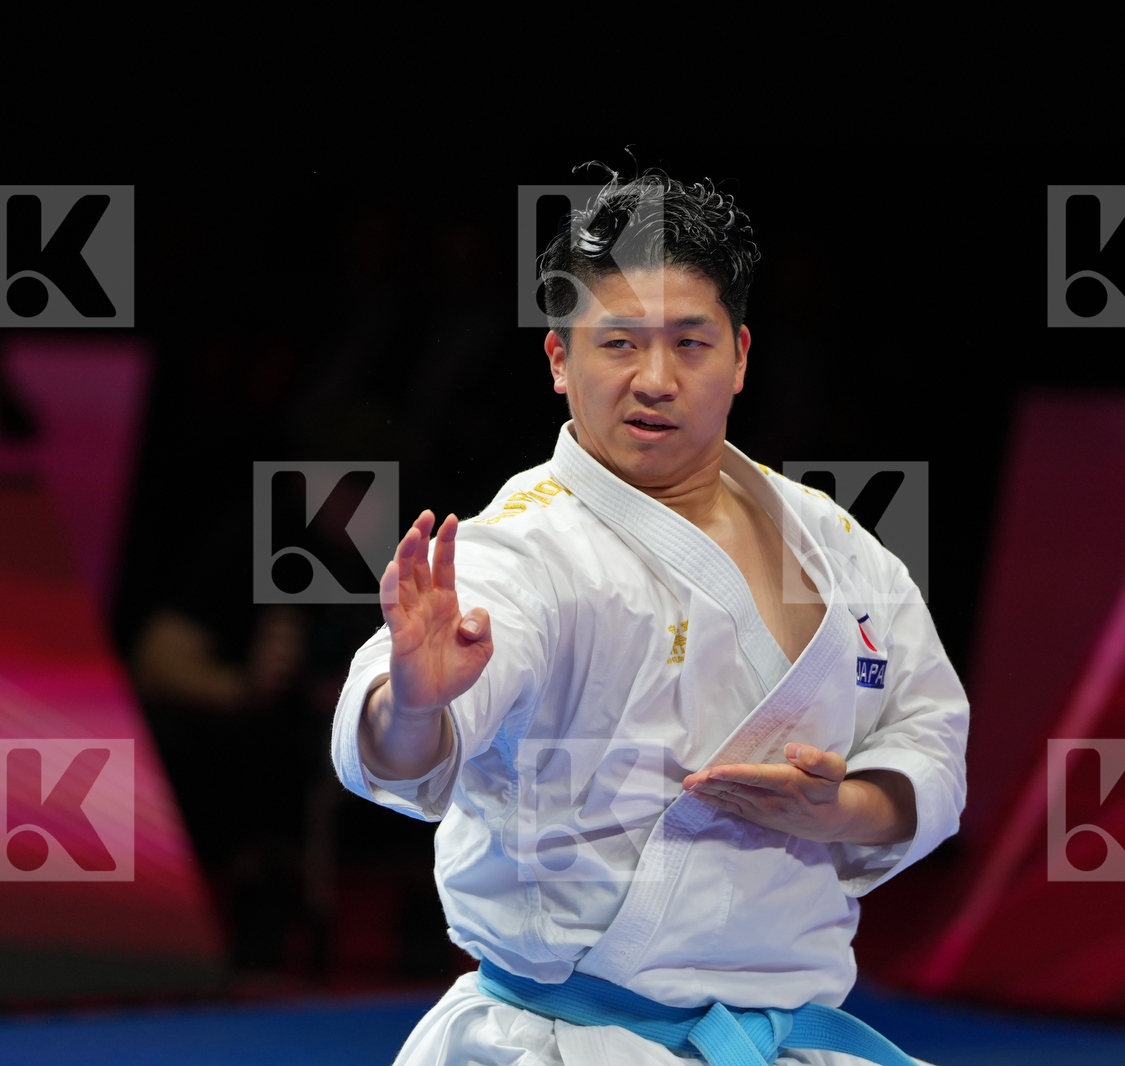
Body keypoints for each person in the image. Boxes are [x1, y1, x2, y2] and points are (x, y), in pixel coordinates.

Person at [331, 169, 968, 1065]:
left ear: (742, 356)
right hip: (560, 1042)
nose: (656, 380)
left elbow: (933, 734)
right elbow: (397, 756)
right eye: (618, 342)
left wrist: (847, 808)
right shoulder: (525, 549)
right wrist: (414, 702)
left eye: (691, 344)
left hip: (790, 1041)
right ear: (559, 361)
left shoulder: (835, 541)